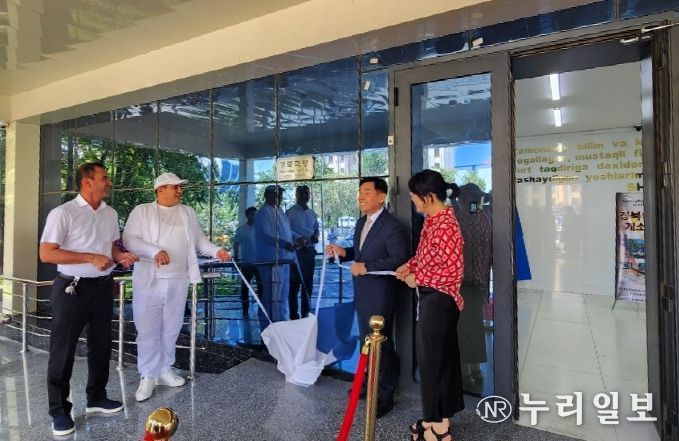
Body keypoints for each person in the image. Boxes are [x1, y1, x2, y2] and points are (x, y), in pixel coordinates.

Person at [39, 162, 138, 436]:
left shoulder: (110, 213)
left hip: (103, 287)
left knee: (101, 345)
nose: (109, 182)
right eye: (104, 177)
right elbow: (47, 253)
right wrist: (89, 257)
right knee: (63, 351)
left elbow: (110, 248)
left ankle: (96, 398)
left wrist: (121, 256)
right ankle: (59, 411)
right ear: (87, 182)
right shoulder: (63, 213)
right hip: (72, 289)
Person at [122, 172, 231, 402]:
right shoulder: (142, 211)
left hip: (178, 279)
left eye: (181, 187)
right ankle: (148, 374)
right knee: (147, 328)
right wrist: (154, 251)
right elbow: (130, 240)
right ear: (160, 189)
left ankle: (165, 369)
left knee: (172, 327)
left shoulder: (187, 212)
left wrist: (216, 251)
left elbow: (199, 240)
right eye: (175, 187)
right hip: (150, 281)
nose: (180, 191)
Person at [326, 177, 409, 418]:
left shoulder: (392, 226)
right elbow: (360, 253)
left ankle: (385, 395)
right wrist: (344, 252)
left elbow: (399, 258)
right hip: (363, 292)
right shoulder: (362, 222)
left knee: (381, 343)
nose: (361, 196)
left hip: (381, 293)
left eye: (367, 192)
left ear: (382, 196)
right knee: (366, 341)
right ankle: (368, 383)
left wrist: (367, 266)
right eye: (360, 192)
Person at [395, 169, 464, 441]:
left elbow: (453, 271)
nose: (412, 200)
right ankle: (437, 421)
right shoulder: (433, 220)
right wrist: (409, 265)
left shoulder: (446, 225)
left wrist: (418, 278)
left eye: (414, 196)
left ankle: (437, 429)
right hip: (433, 300)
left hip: (439, 302)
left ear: (429, 196)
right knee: (438, 363)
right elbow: (427, 257)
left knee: (433, 364)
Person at [455, 183, 492, 391]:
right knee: (476, 327)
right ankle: (477, 370)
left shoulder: (463, 220)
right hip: (481, 282)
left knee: (463, 329)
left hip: (464, 283)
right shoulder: (485, 218)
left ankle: (465, 373)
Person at [254, 185, 295, 328]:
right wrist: (285, 244)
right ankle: (269, 327)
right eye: (276, 195)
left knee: (282, 296)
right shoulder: (263, 213)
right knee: (272, 297)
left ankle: (281, 325)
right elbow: (266, 237)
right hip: (270, 261)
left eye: (280, 195)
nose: (279, 198)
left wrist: (297, 238)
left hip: (284, 260)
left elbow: (287, 231)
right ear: (267, 196)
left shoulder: (280, 212)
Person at [286, 185, 320, 320]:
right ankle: (293, 314)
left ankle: (306, 313)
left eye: (307, 194)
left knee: (308, 284)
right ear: (297, 195)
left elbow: (316, 228)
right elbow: (286, 230)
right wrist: (298, 238)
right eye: (302, 194)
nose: (305, 196)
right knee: (294, 284)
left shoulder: (311, 213)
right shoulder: (290, 212)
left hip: (310, 251)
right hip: (297, 252)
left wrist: (315, 235)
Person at [234, 206, 262, 317]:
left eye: (256, 214)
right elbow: (236, 245)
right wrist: (236, 258)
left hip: (260, 262)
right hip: (246, 262)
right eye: (252, 214)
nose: (254, 216)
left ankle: (261, 308)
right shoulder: (242, 230)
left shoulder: (260, 229)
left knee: (261, 287)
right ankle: (245, 309)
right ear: (247, 215)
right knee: (245, 287)